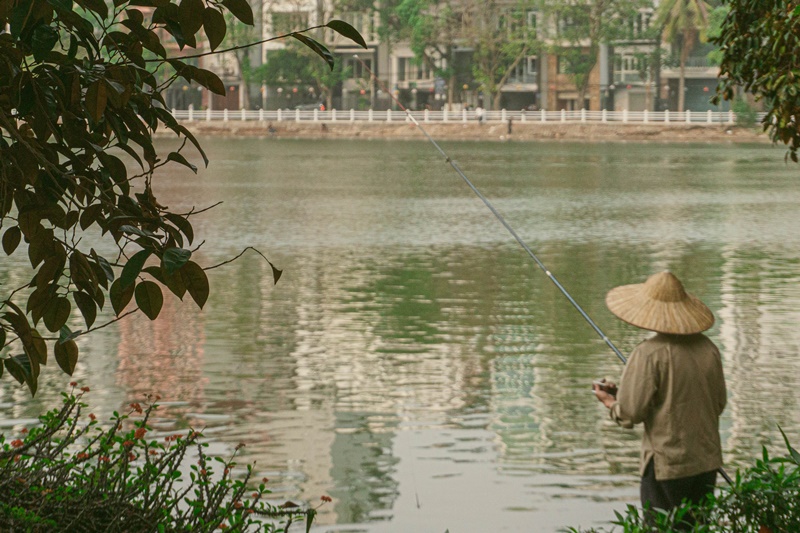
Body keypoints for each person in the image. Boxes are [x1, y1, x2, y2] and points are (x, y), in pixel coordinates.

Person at [593, 271, 726, 527]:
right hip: (705, 464)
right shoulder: (709, 349)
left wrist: (611, 403)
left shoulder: (648, 353)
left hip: (667, 465)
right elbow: (717, 403)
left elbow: (631, 412)